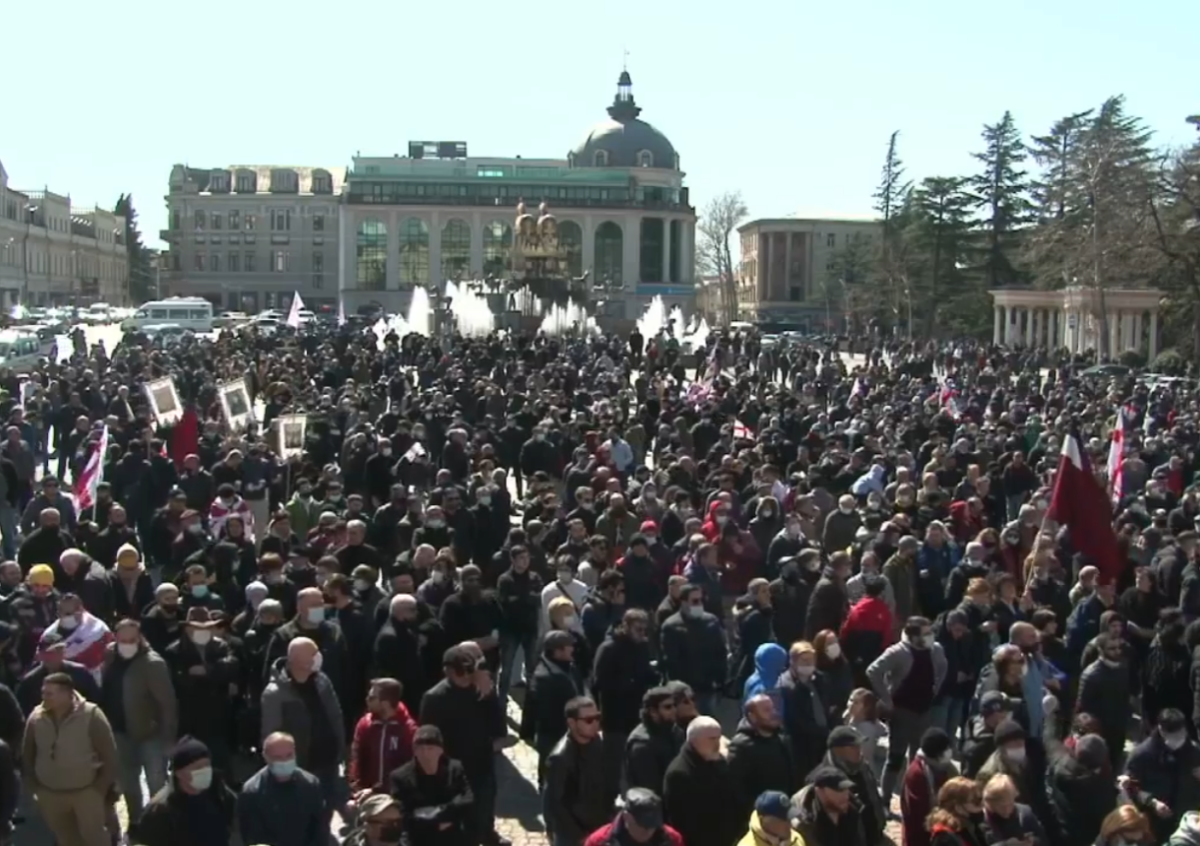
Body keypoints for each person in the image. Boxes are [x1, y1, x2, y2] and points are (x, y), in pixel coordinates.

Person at [420, 644, 506, 846]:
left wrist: (489, 695)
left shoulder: (480, 689)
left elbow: (499, 728)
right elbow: (427, 738)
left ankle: (487, 833)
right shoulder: (435, 698)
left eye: (469, 670)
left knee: (485, 807)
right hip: (454, 770)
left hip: (482, 764)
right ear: (448, 671)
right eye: (461, 672)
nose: (466, 677)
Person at [21, 671, 118, 846]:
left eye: (50, 693)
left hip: (86, 792)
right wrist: (36, 787)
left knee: (94, 837)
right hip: (50, 793)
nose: (44, 697)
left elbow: (109, 754)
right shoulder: (36, 717)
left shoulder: (91, 715)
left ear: (67, 693)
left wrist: (99, 788)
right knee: (66, 839)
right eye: (43, 692)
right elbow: (28, 753)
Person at [261, 635, 347, 818]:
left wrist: (341, 748)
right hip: (301, 767)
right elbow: (271, 734)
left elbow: (335, 716)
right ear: (298, 660)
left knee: (325, 813)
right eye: (313, 653)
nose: (318, 657)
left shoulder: (322, 681)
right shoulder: (275, 694)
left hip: (328, 762)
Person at [101, 618, 177, 823]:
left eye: (132, 640)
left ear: (140, 638)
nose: (127, 644)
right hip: (120, 733)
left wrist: (169, 738)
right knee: (128, 783)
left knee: (156, 782)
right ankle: (136, 821)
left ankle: (159, 823)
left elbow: (167, 704)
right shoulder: (110, 656)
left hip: (151, 735)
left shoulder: (153, 663)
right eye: (123, 640)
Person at [866, 615, 946, 799]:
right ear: (914, 636)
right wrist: (886, 698)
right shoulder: (898, 652)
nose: (930, 636)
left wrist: (936, 688)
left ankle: (911, 796)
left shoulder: (935, 650)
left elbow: (943, 666)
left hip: (924, 710)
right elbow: (873, 671)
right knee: (895, 757)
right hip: (902, 711)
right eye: (925, 633)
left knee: (918, 758)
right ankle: (885, 798)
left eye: (930, 632)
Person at [130, 736, 239, 846]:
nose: (205, 771)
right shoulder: (159, 812)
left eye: (207, 765)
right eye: (198, 768)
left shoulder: (221, 794)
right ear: (179, 773)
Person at [237, 731, 328, 846]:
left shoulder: (310, 784)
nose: (284, 762)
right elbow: (253, 837)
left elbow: (320, 829)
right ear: (266, 757)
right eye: (278, 758)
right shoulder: (252, 792)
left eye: (289, 755)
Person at [389, 725, 475, 846]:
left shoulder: (454, 769)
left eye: (430, 749)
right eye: (420, 749)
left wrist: (439, 810)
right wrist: (438, 824)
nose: (425, 754)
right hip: (418, 839)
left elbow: (467, 800)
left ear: (440, 750)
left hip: (452, 837)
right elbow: (403, 816)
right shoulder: (400, 777)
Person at [662, 716, 741, 846]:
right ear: (694, 740)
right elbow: (684, 822)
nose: (718, 744)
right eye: (712, 739)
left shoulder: (717, 761)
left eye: (719, 738)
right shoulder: (679, 774)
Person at [544, 696, 611, 846]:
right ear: (572, 723)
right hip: (573, 835)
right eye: (588, 720)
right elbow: (555, 804)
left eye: (597, 717)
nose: (595, 723)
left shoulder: (596, 742)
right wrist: (578, 836)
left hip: (597, 825)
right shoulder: (560, 758)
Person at [727, 693, 799, 822]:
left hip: (785, 808)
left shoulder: (781, 738)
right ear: (752, 717)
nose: (773, 713)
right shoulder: (741, 746)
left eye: (773, 708)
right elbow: (737, 789)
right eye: (766, 710)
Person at [349, 677, 419, 797]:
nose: (366, 700)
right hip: (367, 795)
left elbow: (412, 768)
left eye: (372, 698)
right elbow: (356, 759)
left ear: (385, 703)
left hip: (398, 796)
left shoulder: (409, 730)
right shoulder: (365, 724)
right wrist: (356, 788)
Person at [901, 728, 957, 846]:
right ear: (936, 753)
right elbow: (919, 813)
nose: (949, 751)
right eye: (946, 748)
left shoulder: (945, 767)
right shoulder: (917, 773)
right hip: (921, 834)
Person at [623, 686, 683, 795]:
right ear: (653, 711)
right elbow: (650, 788)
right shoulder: (642, 745)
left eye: (675, 705)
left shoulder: (675, 731)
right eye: (668, 707)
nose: (674, 710)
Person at [790, 765, 870, 846]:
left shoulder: (853, 813)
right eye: (838, 790)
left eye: (846, 789)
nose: (845, 795)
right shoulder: (805, 825)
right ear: (820, 792)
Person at [583, 787, 684, 846]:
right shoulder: (599, 842)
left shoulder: (672, 840)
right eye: (643, 824)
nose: (648, 831)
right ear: (626, 816)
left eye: (653, 825)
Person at [979, 773, 1048, 846]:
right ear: (992, 805)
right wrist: (1007, 844)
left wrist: (1033, 841)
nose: (1007, 810)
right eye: (1002, 807)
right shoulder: (985, 822)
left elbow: (1043, 839)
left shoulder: (1025, 813)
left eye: (1010, 804)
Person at [927, 777, 987, 846]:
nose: (982, 806)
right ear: (957, 807)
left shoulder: (972, 827)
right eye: (976, 801)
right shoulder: (945, 838)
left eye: (981, 799)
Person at [737, 790, 805, 846]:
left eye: (790, 818)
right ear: (764, 820)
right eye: (784, 820)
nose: (790, 825)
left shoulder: (797, 839)